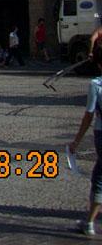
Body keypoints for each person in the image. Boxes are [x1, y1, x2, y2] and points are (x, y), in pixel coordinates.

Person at [68, 41, 102, 235]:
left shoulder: (96, 85)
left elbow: (88, 116)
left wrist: (76, 142)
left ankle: (89, 223)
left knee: (99, 178)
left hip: (100, 134)